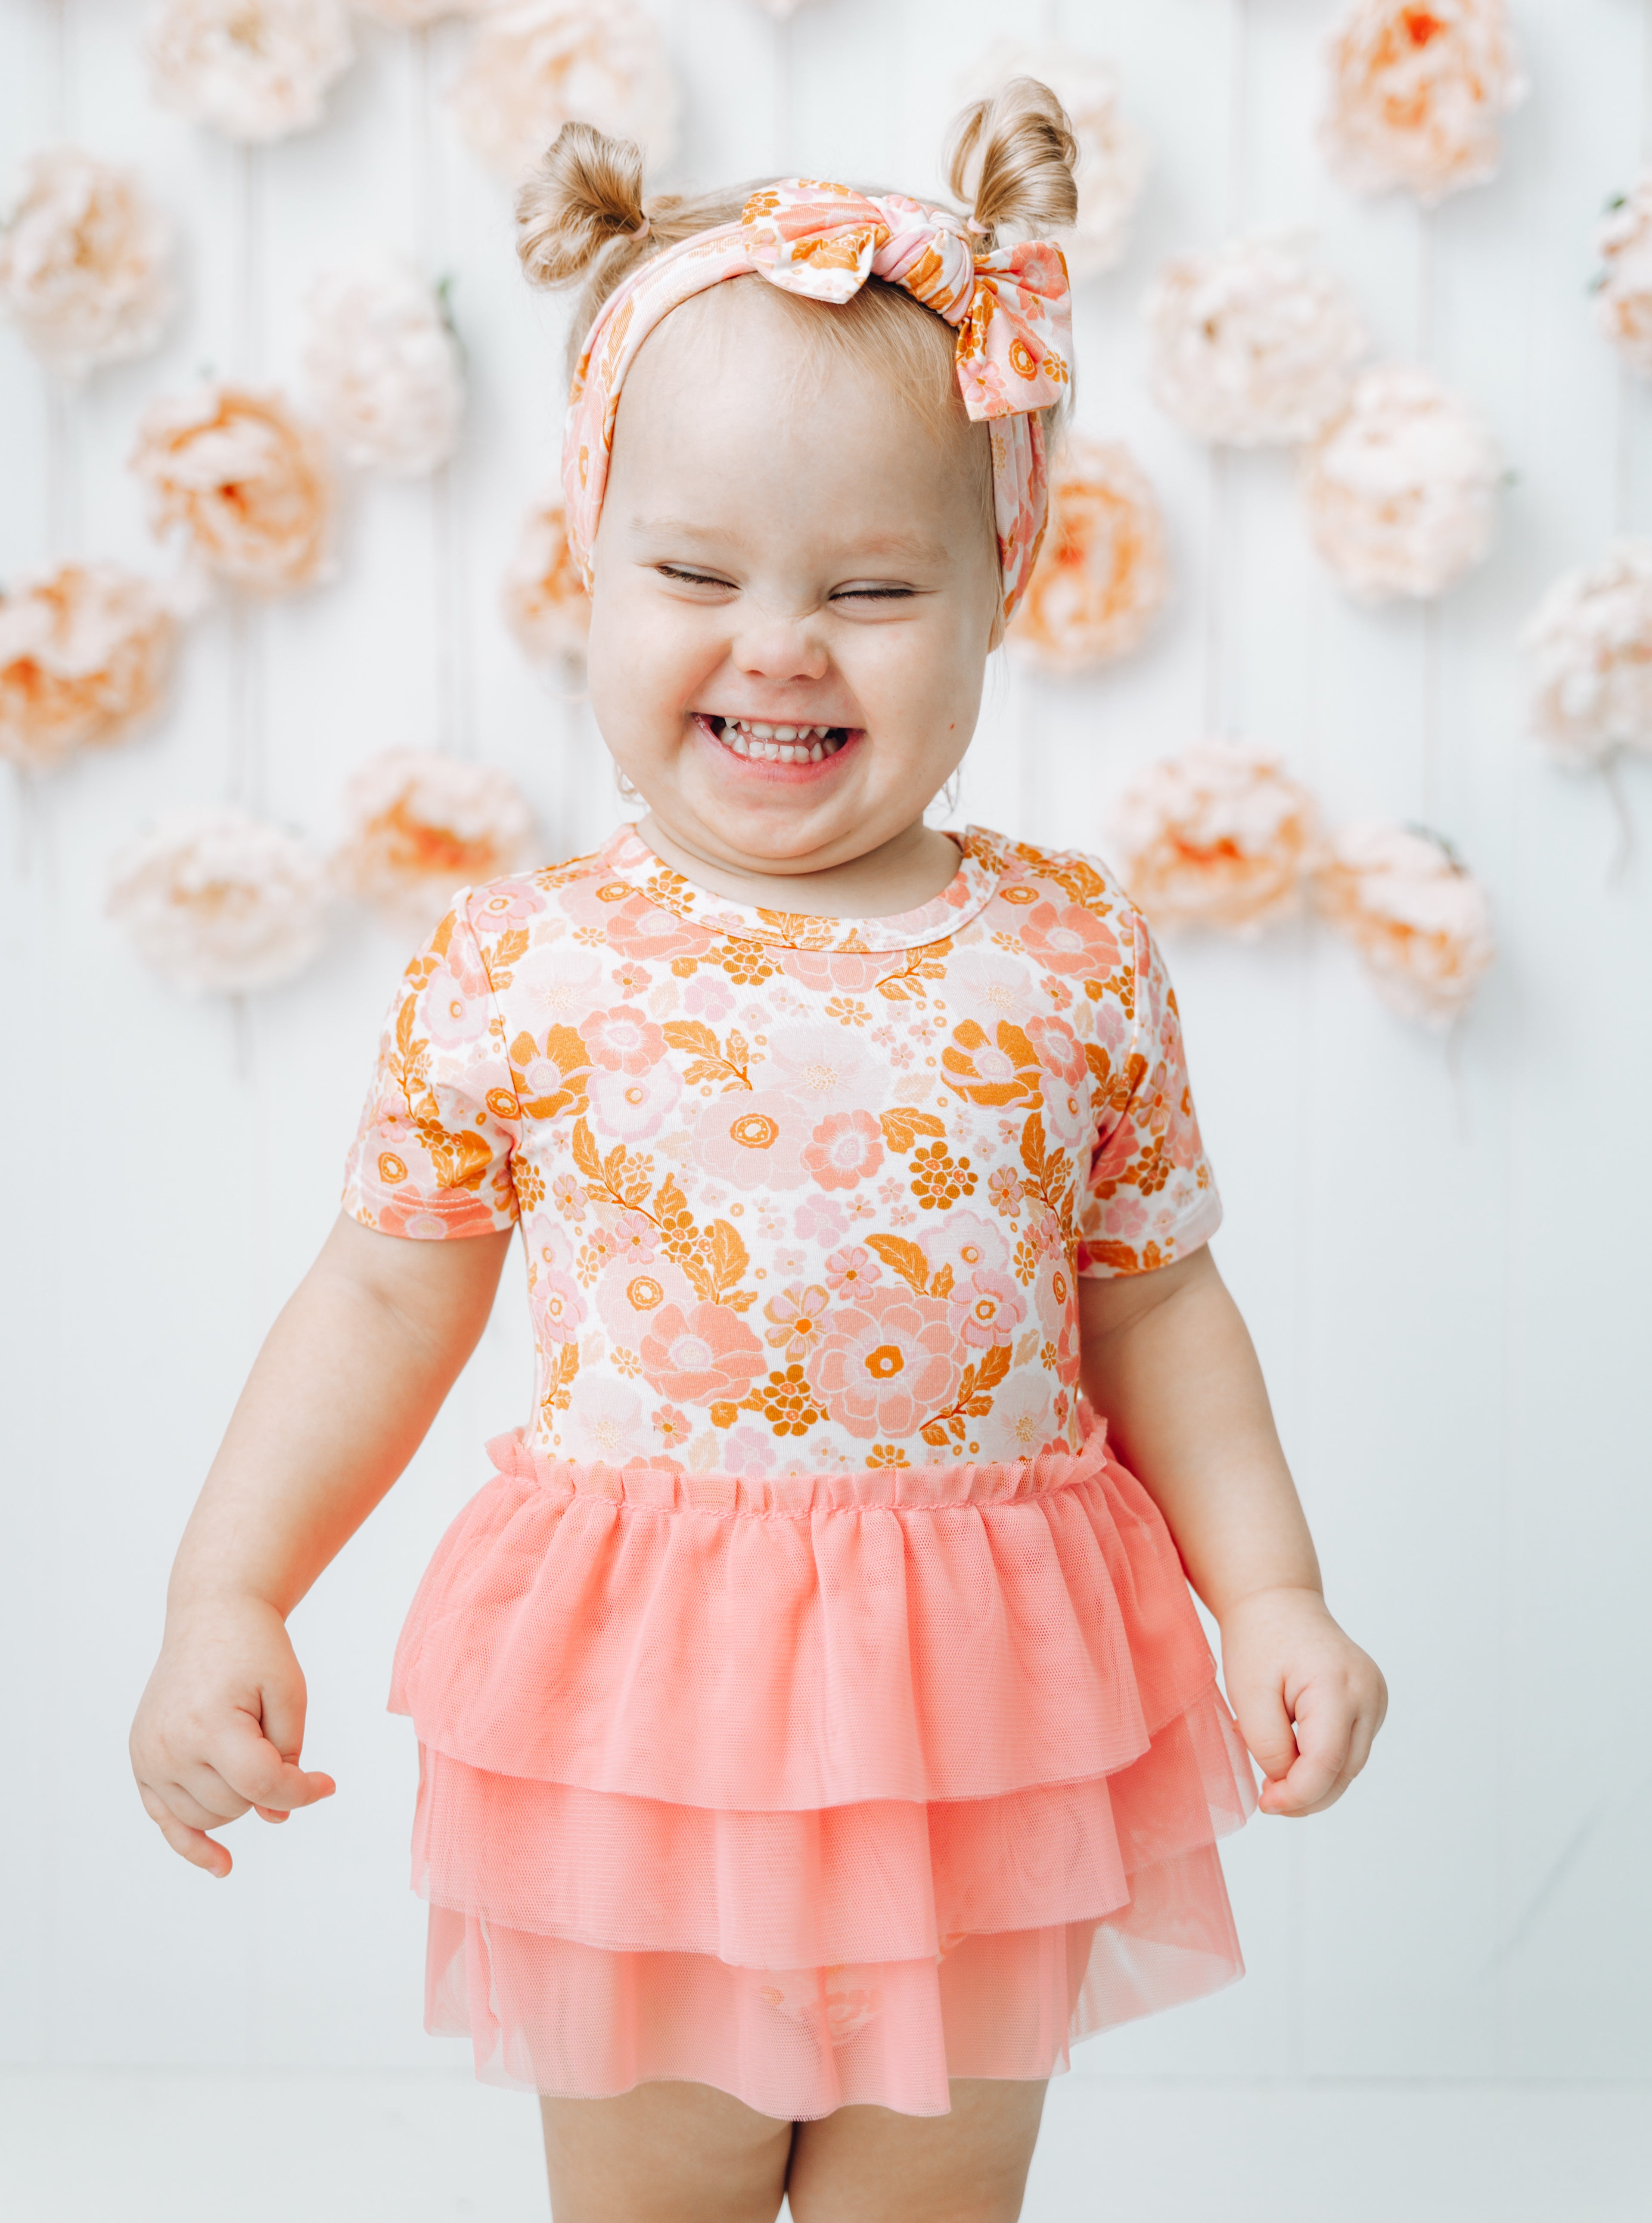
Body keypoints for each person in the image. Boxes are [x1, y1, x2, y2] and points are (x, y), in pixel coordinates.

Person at [130, 81, 1387, 2223]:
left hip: (983, 1726)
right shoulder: (523, 964)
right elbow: (381, 1291)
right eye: (695, 571)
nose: (779, 641)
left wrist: (1267, 1590)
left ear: (1002, 585)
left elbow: (1157, 1296)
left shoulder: (1067, 954)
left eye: (871, 585)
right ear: (590, 561)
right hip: (645, 1729)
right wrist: (225, 1588)